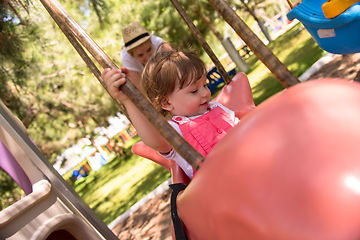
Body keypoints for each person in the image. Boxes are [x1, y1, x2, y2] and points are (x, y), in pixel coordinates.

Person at [102, 48, 239, 179]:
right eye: (193, 91)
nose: (205, 93)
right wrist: (129, 101)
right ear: (167, 103)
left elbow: (242, 129)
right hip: (222, 187)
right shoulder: (174, 131)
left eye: (205, 85)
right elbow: (153, 139)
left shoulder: (217, 108)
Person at [120, 21, 171, 91]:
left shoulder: (159, 44)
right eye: (140, 55)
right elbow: (141, 88)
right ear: (132, 55)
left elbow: (177, 64)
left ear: (151, 42)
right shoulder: (127, 59)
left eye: (149, 50)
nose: (148, 57)